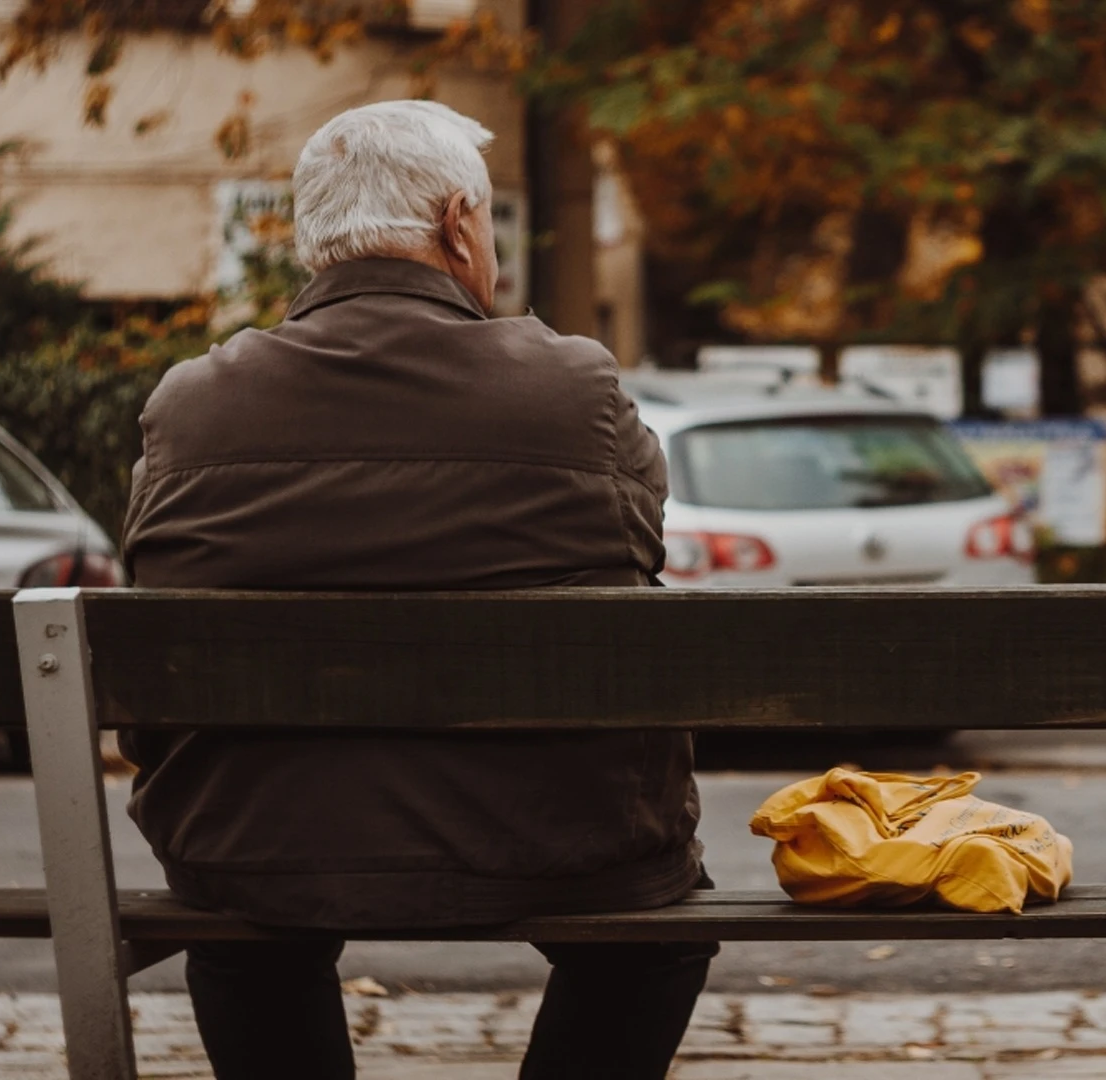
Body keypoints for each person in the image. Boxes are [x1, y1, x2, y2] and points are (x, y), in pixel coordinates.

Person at [118, 100, 711, 1080]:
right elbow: (638, 547)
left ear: (316, 244)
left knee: (242, 932)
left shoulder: (190, 407)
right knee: (651, 939)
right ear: (456, 225)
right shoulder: (573, 391)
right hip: (559, 837)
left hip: (259, 846)